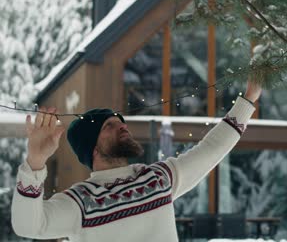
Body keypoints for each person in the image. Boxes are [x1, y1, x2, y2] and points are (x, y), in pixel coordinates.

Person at [11, 81, 262, 242]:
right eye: (110, 126)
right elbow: (28, 226)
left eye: (121, 122)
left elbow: (212, 148)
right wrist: (35, 163)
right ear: (93, 147)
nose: (123, 127)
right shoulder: (81, 203)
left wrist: (249, 98)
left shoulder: (158, 179)